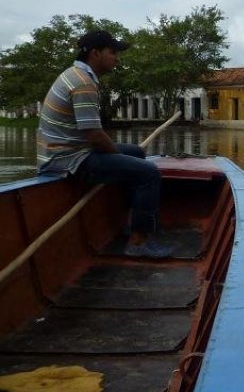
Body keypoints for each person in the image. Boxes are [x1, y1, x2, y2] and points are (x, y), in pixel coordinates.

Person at [36, 30, 171, 258]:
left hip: (72, 151)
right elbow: (95, 136)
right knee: (149, 173)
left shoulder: (76, 74)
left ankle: (134, 223)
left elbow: (93, 136)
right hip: (67, 160)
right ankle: (138, 243)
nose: (117, 58)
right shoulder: (82, 82)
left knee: (136, 153)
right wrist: (117, 156)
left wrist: (120, 156)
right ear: (95, 54)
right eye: (113, 52)